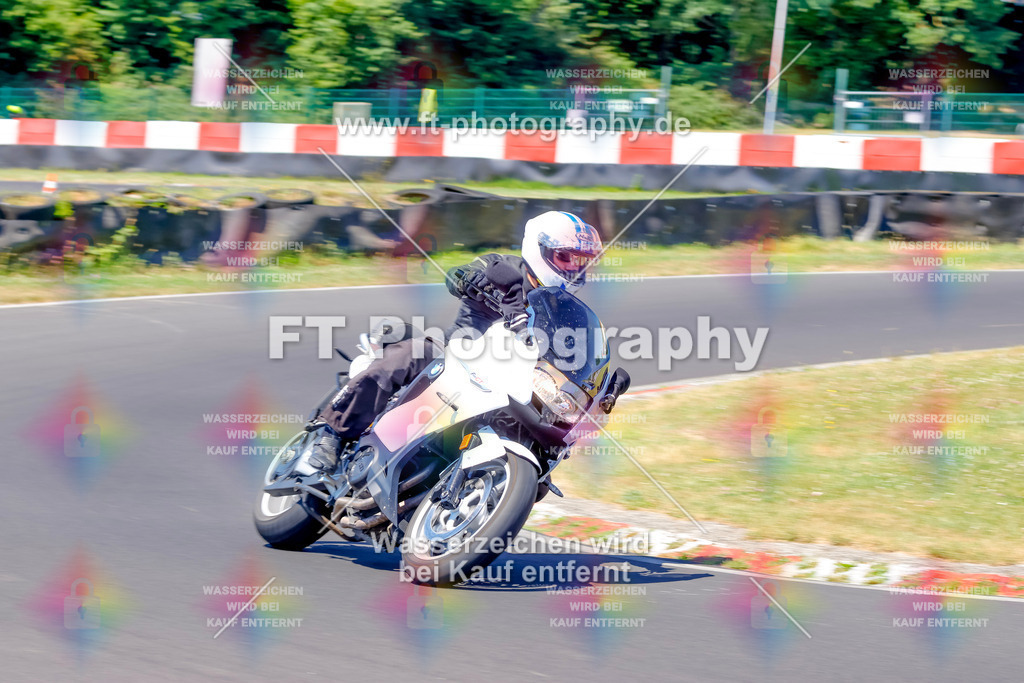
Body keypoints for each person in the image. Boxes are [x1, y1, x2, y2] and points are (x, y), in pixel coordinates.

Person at [309, 210, 626, 470]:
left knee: (547, 446)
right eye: (565, 257)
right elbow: (457, 274)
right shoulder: (501, 266)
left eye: (580, 261)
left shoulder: (565, 311)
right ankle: (331, 433)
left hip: (511, 382)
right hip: (458, 352)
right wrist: (466, 277)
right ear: (538, 249)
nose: (573, 267)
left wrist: (598, 386)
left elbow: (575, 359)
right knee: (408, 356)